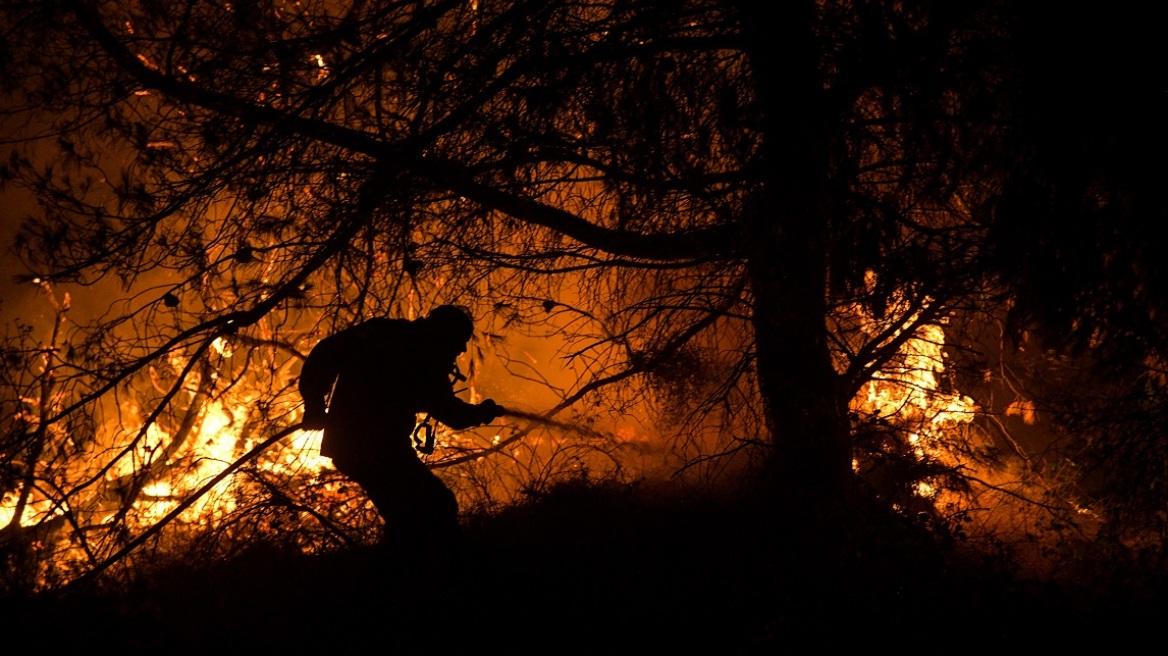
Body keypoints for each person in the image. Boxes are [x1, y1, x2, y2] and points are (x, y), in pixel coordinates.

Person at [298, 305, 505, 547]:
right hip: (377, 448)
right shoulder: (426, 360)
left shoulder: (382, 331)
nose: (462, 349)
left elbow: (326, 352)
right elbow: (451, 413)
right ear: (445, 334)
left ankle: (408, 572)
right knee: (437, 505)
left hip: (352, 446)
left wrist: (314, 402)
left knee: (408, 517)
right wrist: (482, 412)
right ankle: (455, 571)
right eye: (460, 340)